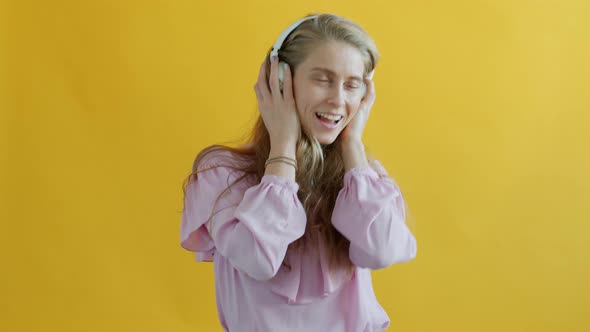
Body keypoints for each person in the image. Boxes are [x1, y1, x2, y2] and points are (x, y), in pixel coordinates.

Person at [180, 13, 417, 332]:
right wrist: (282, 146)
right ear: (280, 82)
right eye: (322, 79)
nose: (338, 99)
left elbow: (382, 250)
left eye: (352, 85)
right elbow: (258, 260)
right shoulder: (222, 173)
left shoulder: (362, 178)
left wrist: (353, 145)